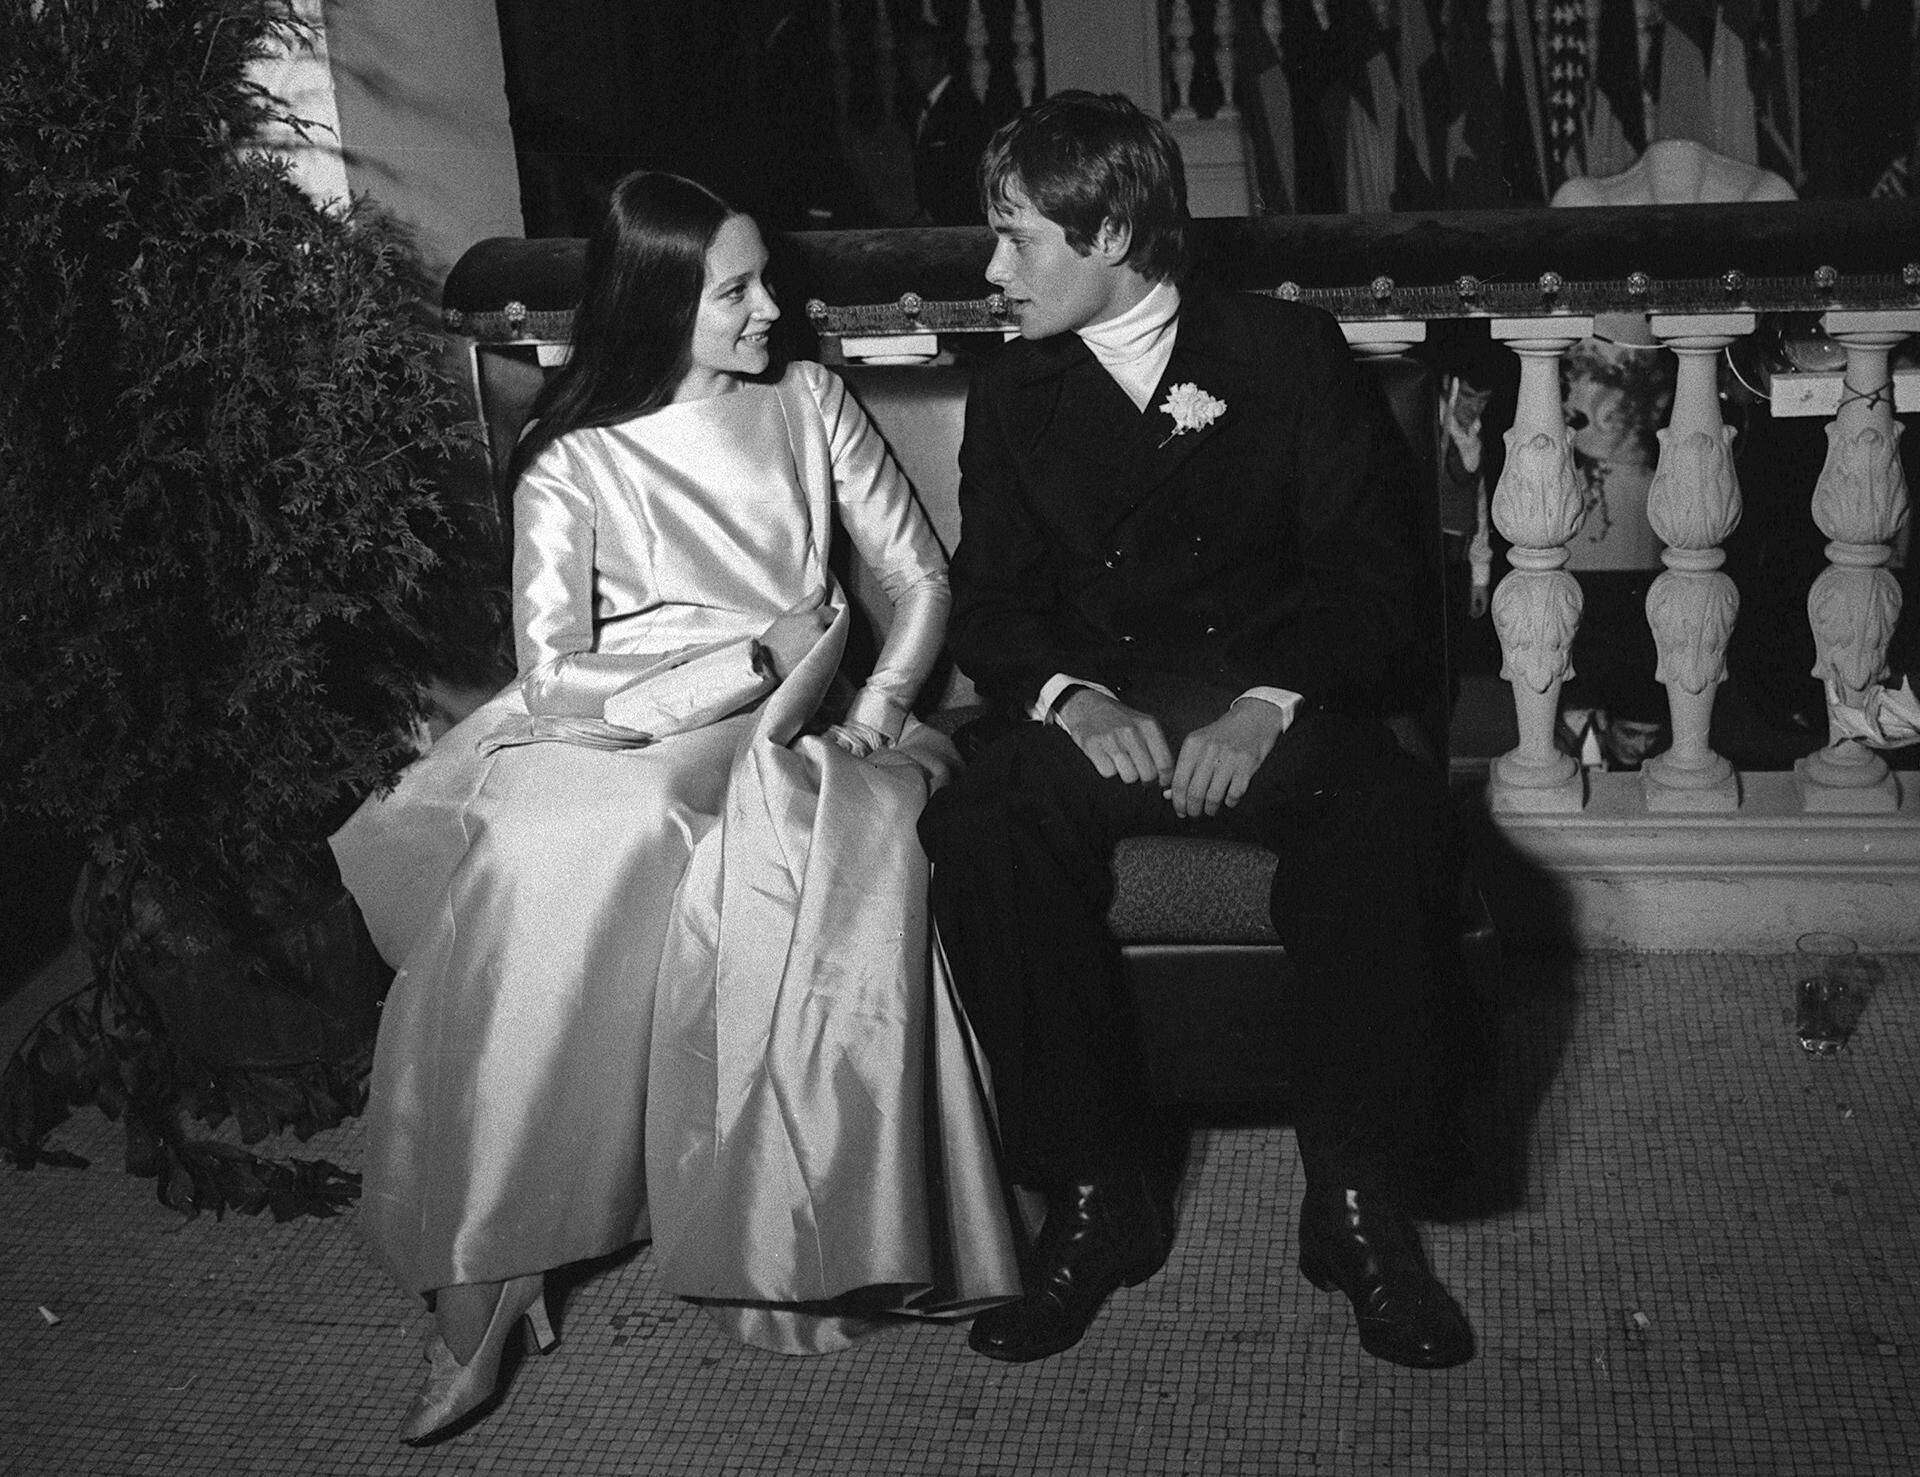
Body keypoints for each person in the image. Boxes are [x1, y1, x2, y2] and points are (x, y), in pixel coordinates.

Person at [331, 171, 1018, 1444]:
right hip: (618, 718)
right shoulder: (571, 458)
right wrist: (735, 658)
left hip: (791, 720)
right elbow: (553, 672)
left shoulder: (808, 402)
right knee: (538, 841)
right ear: (658, 305)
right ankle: (488, 1262)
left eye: (769, 279)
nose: (777, 309)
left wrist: (878, 701)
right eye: (739, 291)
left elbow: (917, 573)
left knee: (627, 829)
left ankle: (510, 1261)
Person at [919, 93, 1479, 1369]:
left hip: (1267, 701)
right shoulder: (1015, 393)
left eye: (1016, 239)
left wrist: (1265, 705)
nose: (991, 270)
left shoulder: (1287, 353)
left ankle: (1355, 1201)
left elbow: (1383, 598)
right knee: (987, 823)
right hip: (1106, 711)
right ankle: (1096, 1193)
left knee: (1389, 815)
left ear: (1111, 229)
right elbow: (993, 607)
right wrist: (1072, 696)